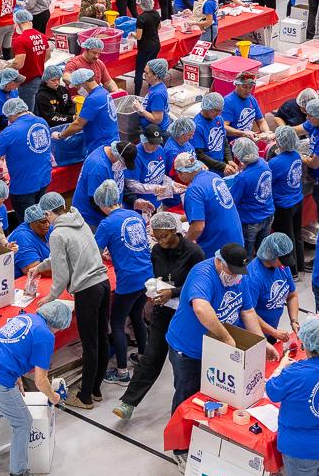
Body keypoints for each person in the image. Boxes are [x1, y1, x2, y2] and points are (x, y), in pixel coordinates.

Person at [164, 243, 273, 463]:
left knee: (213, 397)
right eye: (231, 271)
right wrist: (226, 338)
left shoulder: (239, 279)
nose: (234, 277)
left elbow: (248, 311)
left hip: (218, 351)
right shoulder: (202, 274)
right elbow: (201, 308)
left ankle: (206, 437)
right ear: (219, 262)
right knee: (187, 398)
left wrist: (262, 343)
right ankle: (181, 449)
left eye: (237, 272)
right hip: (189, 350)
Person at [113, 211, 205, 421]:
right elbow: (157, 276)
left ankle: (187, 404)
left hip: (186, 314)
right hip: (163, 311)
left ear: (175, 231)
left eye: (164, 236)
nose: (160, 240)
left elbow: (198, 286)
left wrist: (172, 292)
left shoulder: (194, 253)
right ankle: (128, 402)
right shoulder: (156, 251)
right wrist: (155, 290)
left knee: (181, 362)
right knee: (152, 356)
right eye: (156, 236)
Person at [0, 301, 72, 476]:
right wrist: (53, 396)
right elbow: (41, 380)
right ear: (58, 324)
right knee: (23, 423)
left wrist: (17, 376)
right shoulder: (45, 335)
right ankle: (18, 475)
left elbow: (8, 345)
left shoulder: (25, 317)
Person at [32, 188, 111, 410]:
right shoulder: (80, 221)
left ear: (48, 214)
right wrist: (39, 267)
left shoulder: (57, 234)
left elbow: (61, 274)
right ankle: (96, 390)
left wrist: (50, 297)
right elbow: (61, 257)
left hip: (87, 290)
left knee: (90, 344)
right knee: (102, 337)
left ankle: (84, 396)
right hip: (103, 283)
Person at [265, 318, 319, 476]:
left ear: (304, 345)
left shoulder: (296, 373)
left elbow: (272, 391)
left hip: (303, 449)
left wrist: (281, 367)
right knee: (318, 474)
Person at [91, 179, 153, 384]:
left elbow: (94, 253)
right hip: (146, 274)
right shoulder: (134, 215)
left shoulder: (107, 224)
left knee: (116, 323)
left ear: (102, 204)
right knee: (136, 315)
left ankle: (122, 372)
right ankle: (144, 358)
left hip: (128, 279)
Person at [173, 151, 244, 257]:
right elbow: (210, 208)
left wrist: (183, 244)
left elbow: (197, 227)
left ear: (182, 172)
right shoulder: (213, 176)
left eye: (178, 173)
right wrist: (179, 218)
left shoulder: (194, 190)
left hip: (218, 246)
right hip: (236, 237)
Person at [245, 232, 300, 341]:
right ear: (270, 256)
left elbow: (292, 296)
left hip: (272, 331)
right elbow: (249, 314)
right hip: (255, 335)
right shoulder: (253, 278)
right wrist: (273, 332)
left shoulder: (282, 267)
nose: (284, 264)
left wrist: (294, 321)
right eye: (282, 260)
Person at [267, 125, 306, 276]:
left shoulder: (275, 163)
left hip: (283, 205)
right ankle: (300, 265)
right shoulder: (296, 155)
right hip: (297, 200)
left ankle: (292, 271)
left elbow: (268, 181)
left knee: (285, 237)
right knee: (297, 234)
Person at [54, 68, 118, 155]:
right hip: (111, 139)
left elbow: (78, 125)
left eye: (77, 86)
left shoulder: (93, 98)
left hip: (101, 146)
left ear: (83, 83)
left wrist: (60, 135)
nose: (77, 89)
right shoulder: (103, 92)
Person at [230, 137, 275, 258]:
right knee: (263, 254)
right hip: (268, 214)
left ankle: (248, 276)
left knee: (247, 255)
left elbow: (232, 201)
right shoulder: (263, 163)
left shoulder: (242, 178)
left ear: (239, 156)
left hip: (250, 221)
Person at [9, 9, 48, 110]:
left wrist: (7, 66)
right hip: (40, 76)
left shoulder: (20, 40)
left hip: (28, 80)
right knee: (37, 108)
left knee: (27, 110)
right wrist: (36, 62)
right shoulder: (42, 36)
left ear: (17, 23)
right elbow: (48, 55)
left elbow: (18, 64)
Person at [35, 63, 75, 127]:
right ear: (46, 80)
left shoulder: (63, 90)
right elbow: (50, 117)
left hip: (68, 122)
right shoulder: (42, 96)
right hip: (52, 126)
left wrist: (72, 115)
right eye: (53, 80)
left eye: (58, 79)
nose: (57, 83)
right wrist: (71, 118)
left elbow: (70, 105)